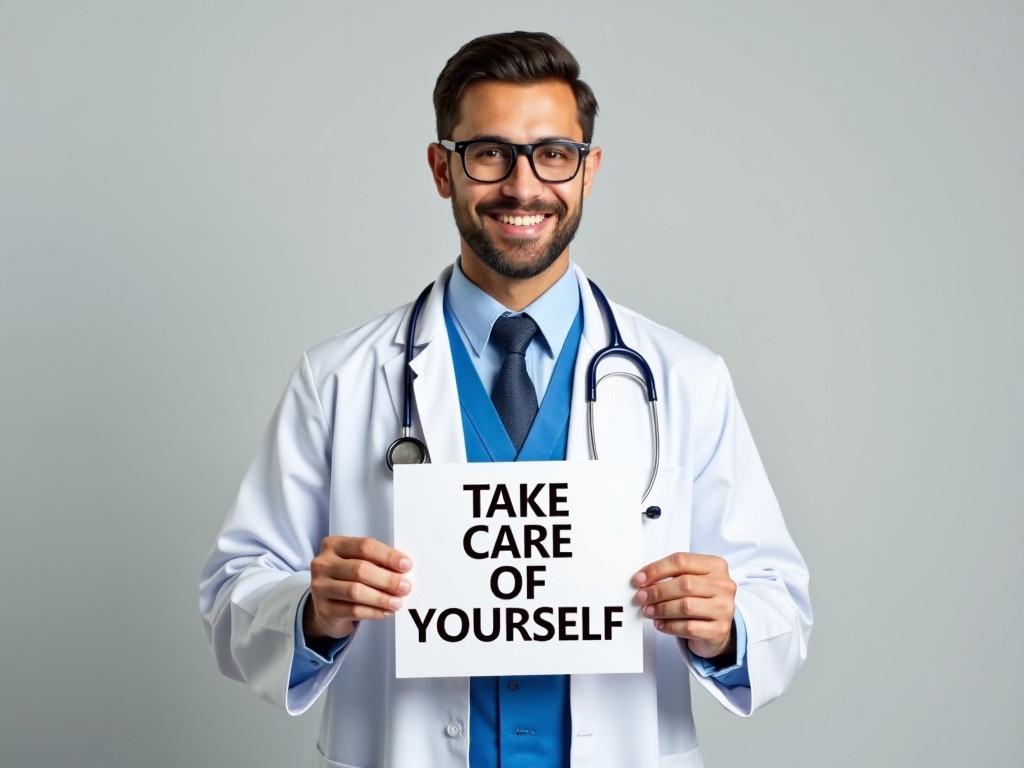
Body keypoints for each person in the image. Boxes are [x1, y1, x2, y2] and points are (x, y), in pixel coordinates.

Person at [198, 31, 812, 768]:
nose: (523, 187)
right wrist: (312, 611)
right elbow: (234, 596)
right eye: (489, 153)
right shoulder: (340, 379)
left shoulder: (684, 379)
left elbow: (780, 608)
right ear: (441, 168)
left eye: (553, 153)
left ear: (588, 171)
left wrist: (726, 625)